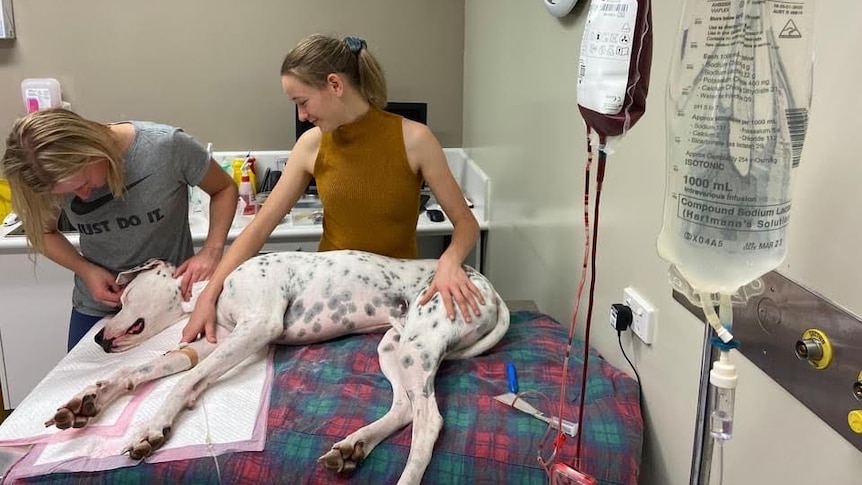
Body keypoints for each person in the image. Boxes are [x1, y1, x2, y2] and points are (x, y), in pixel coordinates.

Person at [182, 34, 483, 344]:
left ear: (335, 85)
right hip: (328, 299)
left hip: (394, 302)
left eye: (302, 102)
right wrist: (210, 295)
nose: (301, 115)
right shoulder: (311, 145)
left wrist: (449, 261)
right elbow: (259, 228)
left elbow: (465, 223)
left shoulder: (415, 140)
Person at [1, 108, 238, 350]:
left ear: (92, 149)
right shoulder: (48, 176)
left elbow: (224, 189)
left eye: (83, 184)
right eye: (68, 193)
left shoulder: (167, 148)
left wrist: (211, 250)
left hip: (170, 302)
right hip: (98, 304)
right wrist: (86, 270)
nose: (80, 196)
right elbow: (43, 232)